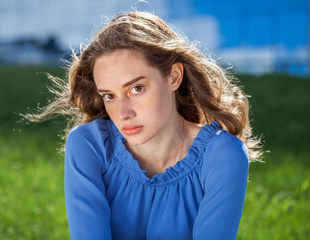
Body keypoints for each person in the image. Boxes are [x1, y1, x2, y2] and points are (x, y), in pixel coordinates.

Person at [23, 11, 263, 240]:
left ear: (174, 77)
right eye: (109, 96)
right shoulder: (89, 145)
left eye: (136, 89)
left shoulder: (222, 155)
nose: (123, 113)